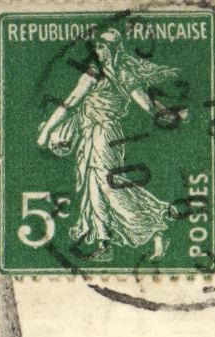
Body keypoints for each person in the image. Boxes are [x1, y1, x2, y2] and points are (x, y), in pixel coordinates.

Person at [36, 28, 184, 262]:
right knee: (95, 185)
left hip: (103, 133)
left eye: (104, 46)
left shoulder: (109, 74)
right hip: (93, 133)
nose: (99, 50)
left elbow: (72, 101)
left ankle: (155, 218)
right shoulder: (115, 72)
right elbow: (74, 101)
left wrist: (46, 131)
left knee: (106, 185)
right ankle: (107, 241)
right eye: (98, 46)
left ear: (115, 49)